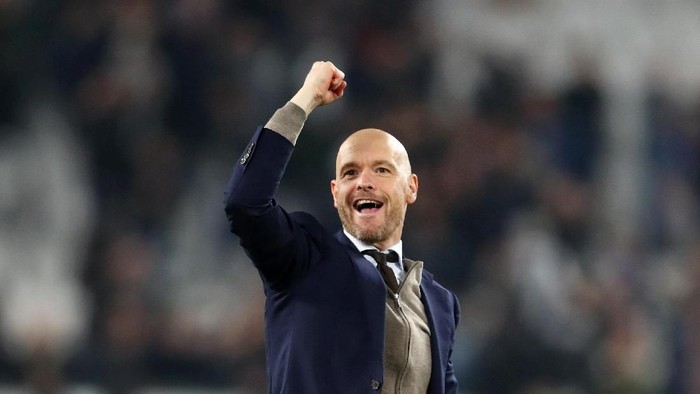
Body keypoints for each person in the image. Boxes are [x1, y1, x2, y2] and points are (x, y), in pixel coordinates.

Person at [224, 61, 460, 393]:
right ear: (336, 194)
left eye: (381, 170)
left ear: (411, 187)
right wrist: (305, 99)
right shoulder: (303, 260)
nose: (364, 182)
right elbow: (245, 202)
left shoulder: (439, 303)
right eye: (350, 173)